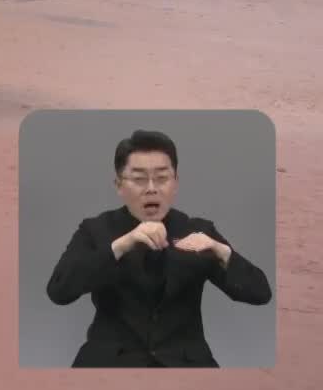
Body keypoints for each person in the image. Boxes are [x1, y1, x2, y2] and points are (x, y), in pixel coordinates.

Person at [45, 129, 272, 367]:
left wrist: (222, 251)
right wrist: (121, 245)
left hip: (185, 364)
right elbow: (59, 291)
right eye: (139, 179)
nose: (151, 188)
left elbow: (260, 293)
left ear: (175, 183)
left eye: (162, 178)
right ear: (119, 185)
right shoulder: (96, 230)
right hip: (110, 362)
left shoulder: (197, 230)